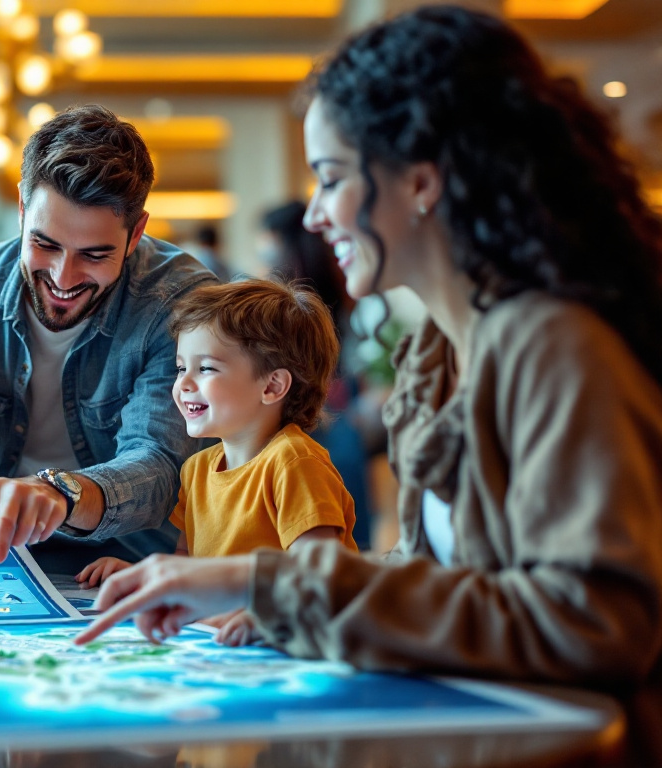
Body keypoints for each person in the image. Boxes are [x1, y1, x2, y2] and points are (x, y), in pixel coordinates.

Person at [75, 8, 662, 752]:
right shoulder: (435, 353)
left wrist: (264, 583)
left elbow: (592, 621)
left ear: (421, 180)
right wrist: (259, 594)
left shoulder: (552, 341)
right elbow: (443, 577)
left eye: (332, 178)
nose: (315, 216)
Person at [0, 105, 216, 569]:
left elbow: (160, 464)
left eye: (94, 254)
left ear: (136, 233)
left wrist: (57, 495)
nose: (62, 277)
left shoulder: (183, 305)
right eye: (44, 244)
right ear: (23, 213)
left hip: (127, 558)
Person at [75, 280, 358, 645]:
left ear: (272, 387)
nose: (183, 385)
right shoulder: (198, 468)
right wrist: (147, 578)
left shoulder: (294, 462)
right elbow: (191, 568)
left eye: (206, 369)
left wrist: (266, 614)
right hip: (221, 649)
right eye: (180, 368)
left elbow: (320, 575)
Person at [259, 201, 374, 549]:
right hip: (339, 411)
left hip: (311, 412)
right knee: (341, 513)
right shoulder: (337, 278)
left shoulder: (287, 297)